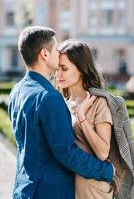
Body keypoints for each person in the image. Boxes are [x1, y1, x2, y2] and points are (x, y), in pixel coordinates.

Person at [8, 26, 114, 199]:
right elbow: (67, 153)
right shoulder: (49, 97)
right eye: (55, 50)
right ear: (44, 54)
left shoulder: (17, 91)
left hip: (23, 187)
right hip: (49, 192)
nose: (58, 54)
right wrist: (106, 170)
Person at [56, 39, 122, 199]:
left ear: (81, 69)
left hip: (92, 189)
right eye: (57, 68)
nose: (58, 74)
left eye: (64, 68)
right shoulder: (62, 102)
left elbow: (102, 152)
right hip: (67, 187)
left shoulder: (98, 103)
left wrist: (82, 117)